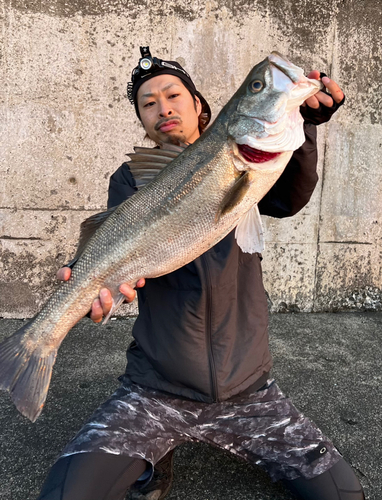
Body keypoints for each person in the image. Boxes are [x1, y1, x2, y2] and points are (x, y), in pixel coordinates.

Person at [38, 47, 364, 500]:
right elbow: (113, 246)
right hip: (156, 388)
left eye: (173, 95)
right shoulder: (133, 178)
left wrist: (304, 123)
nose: (163, 108)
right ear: (142, 120)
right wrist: (102, 281)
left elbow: (287, 200)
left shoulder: (249, 161)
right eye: (148, 103)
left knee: (344, 497)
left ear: (200, 107)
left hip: (250, 390)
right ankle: (153, 450)